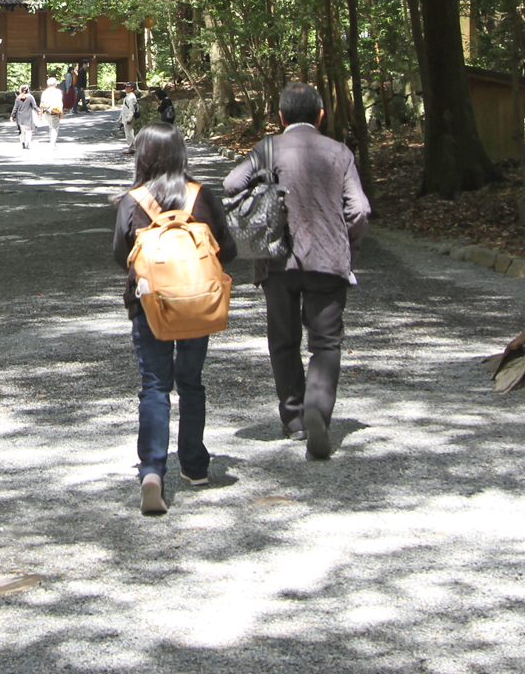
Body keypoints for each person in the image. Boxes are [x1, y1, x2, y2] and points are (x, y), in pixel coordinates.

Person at [222, 81, 370, 461]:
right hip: (328, 259)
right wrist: (345, 243)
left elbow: (230, 183)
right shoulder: (340, 152)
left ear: (281, 116)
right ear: (321, 115)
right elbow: (360, 210)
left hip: (277, 259)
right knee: (326, 344)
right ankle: (318, 411)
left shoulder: (269, 147)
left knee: (283, 342)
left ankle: (294, 419)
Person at [112, 123, 237, 514]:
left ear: (143, 155)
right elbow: (227, 250)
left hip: (149, 306)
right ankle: (196, 465)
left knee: (154, 386)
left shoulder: (132, 201)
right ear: (182, 153)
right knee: (191, 382)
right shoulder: (201, 195)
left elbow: (121, 256)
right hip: (197, 304)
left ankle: (152, 470)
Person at [38, 76, 66, 145]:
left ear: (48, 84)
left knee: (51, 126)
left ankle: (52, 142)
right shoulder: (58, 92)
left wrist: (41, 112)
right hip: (55, 110)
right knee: (54, 128)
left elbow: (41, 103)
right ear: (55, 84)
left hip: (47, 111)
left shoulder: (45, 92)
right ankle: (53, 143)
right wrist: (61, 112)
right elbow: (60, 102)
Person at [119, 84, 140, 152]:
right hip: (125, 116)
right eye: (126, 87)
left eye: (128, 87)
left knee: (129, 133)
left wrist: (129, 119)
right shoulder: (128, 96)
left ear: (132, 88)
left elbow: (131, 109)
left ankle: (132, 148)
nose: (126, 88)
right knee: (128, 132)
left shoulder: (131, 97)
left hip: (128, 117)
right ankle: (131, 146)